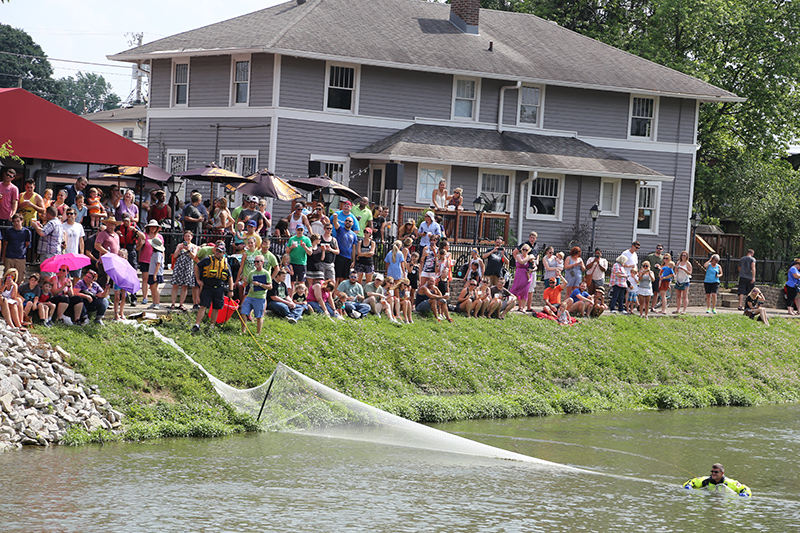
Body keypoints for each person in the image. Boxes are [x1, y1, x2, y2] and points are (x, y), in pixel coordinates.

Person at [191, 243, 234, 334]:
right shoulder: (207, 259)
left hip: (219, 288)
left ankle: (212, 326)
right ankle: (197, 325)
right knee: (203, 306)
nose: (218, 252)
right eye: (217, 250)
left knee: (216, 307)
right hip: (207, 287)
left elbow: (230, 278)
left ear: (224, 253)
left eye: (220, 251)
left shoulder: (226, 263)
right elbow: (196, 266)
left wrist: (231, 290)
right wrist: (198, 280)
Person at [169, 230, 197, 311]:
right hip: (179, 265)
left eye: (189, 236)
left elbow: (193, 256)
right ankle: (173, 303)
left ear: (192, 237)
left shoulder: (194, 246)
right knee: (175, 285)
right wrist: (179, 248)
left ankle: (181, 304)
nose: (187, 238)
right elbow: (175, 255)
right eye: (186, 236)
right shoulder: (179, 245)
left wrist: (188, 250)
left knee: (185, 286)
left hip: (188, 266)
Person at [683, 463, 751, 497]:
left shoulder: (730, 483)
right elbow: (692, 482)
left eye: (716, 472)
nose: (713, 473)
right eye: (712, 471)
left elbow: (745, 488)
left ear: (722, 473)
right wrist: (688, 486)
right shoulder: (705, 481)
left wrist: (746, 493)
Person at [1, 213, 31, 278]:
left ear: (22, 221)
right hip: (9, 257)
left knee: (20, 277)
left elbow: (27, 244)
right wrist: (3, 258)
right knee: (7, 277)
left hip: (20, 257)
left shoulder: (26, 232)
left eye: (18, 221)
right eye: (14, 221)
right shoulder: (8, 231)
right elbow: (5, 245)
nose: (16, 223)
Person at [287, 223, 312, 290]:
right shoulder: (292, 239)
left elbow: (310, 252)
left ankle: (302, 297)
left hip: (302, 263)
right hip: (292, 262)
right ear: (296, 230)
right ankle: (291, 297)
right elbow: (287, 251)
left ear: (303, 230)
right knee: (292, 282)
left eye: (301, 230)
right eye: (298, 230)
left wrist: (305, 247)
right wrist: (291, 247)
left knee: (302, 282)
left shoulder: (307, 239)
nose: (300, 231)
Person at [333, 217, 358, 286]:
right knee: (337, 277)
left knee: (344, 278)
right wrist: (335, 216)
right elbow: (335, 223)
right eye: (346, 220)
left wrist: (353, 261)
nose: (348, 222)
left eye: (349, 221)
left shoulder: (354, 235)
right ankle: (334, 294)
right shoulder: (340, 229)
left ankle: (340, 294)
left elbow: (353, 248)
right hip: (340, 256)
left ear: (352, 223)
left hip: (348, 258)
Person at [673, 251, 692, 315]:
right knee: (678, 296)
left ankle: (684, 309)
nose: (683, 256)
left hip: (685, 281)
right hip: (679, 280)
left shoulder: (688, 264)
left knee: (685, 296)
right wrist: (676, 268)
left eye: (685, 255)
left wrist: (683, 269)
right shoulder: (678, 262)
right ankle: (678, 309)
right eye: (682, 255)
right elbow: (675, 271)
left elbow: (690, 272)